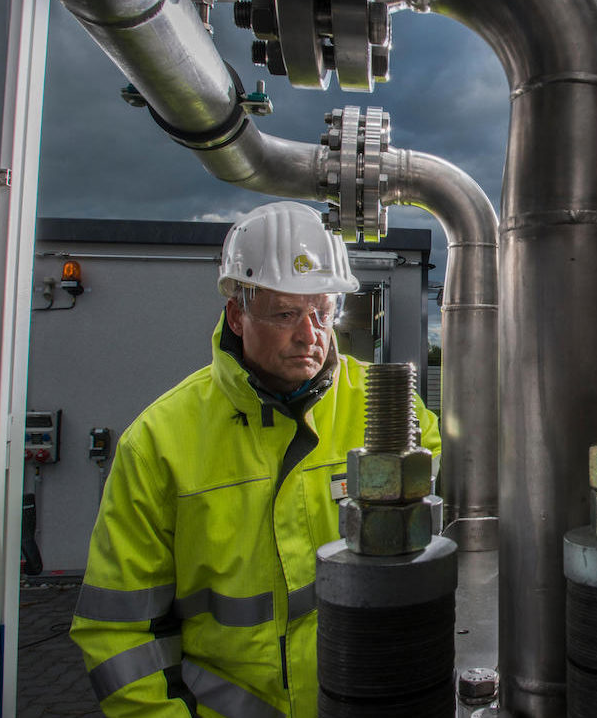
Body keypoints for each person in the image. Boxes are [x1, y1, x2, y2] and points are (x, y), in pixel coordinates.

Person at [71, 201, 441, 717]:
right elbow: (119, 632)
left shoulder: (394, 412)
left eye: (322, 312)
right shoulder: (160, 441)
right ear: (237, 315)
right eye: (286, 313)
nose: (310, 335)